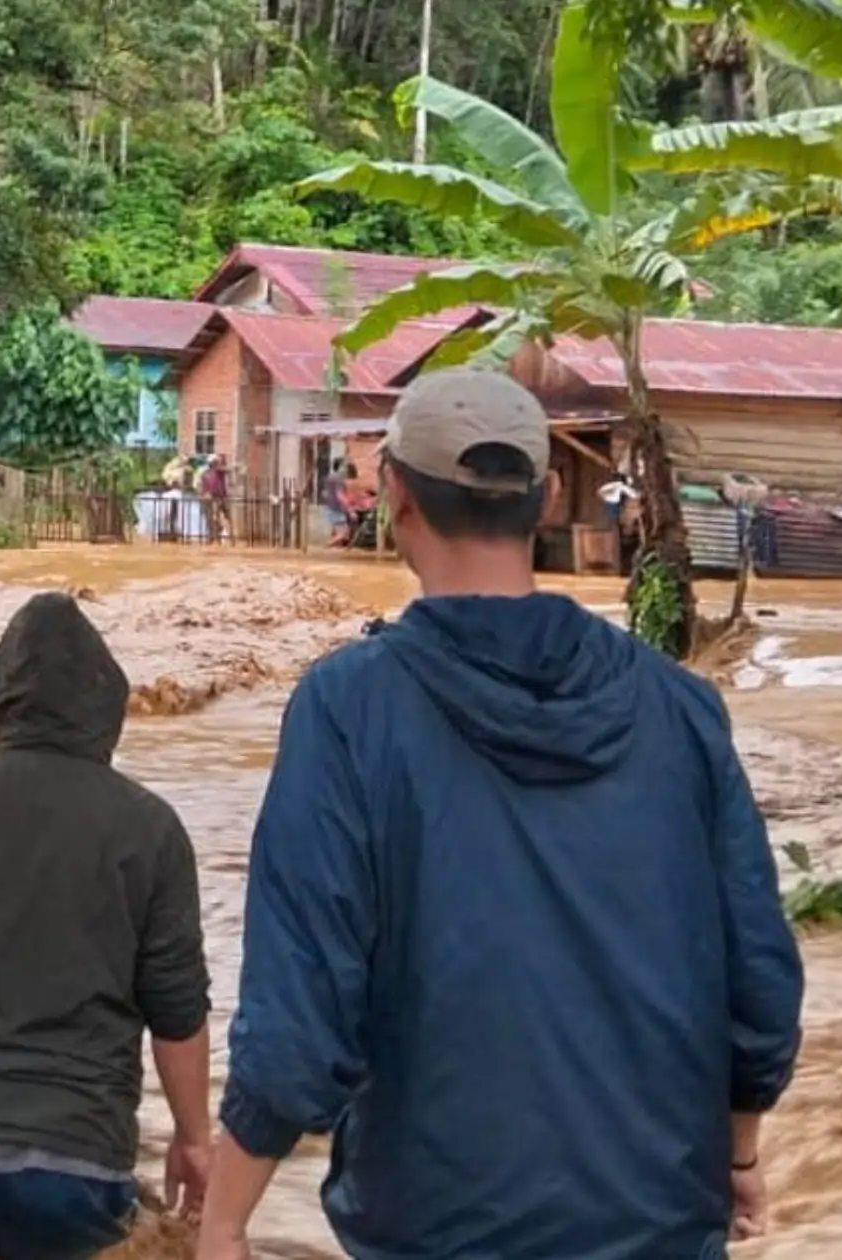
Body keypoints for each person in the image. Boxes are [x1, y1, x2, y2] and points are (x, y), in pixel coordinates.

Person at [197, 369, 804, 1260]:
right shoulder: (679, 708)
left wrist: (226, 1219)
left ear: (395, 494)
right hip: (660, 1219)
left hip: (438, 1226)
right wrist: (738, 1149)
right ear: (550, 496)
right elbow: (760, 978)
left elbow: (302, 1009)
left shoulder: (349, 707)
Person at [0, 591, 213, 1260]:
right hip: (77, 1162)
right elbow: (176, 1010)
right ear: (107, 705)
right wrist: (193, 1142)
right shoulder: (152, 828)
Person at [319, 459, 354, 546]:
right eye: (345, 467)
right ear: (339, 467)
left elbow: (324, 493)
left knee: (338, 533)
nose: (347, 469)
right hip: (336, 509)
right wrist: (350, 510)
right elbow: (340, 496)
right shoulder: (339, 480)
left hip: (330, 507)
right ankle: (325, 547)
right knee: (343, 534)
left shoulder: (330, 478)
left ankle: (330, 552)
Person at [200, 453, 232, 544]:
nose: (218, 464)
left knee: (226, 517)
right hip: (213, 498)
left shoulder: (219, 472)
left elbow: (227, 470)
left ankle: (228, 536)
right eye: (216, 462)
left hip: (222, 497)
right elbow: (204, 487)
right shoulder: (205, 474)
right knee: (215, 518)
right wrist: (205, 494)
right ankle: (215, 537)